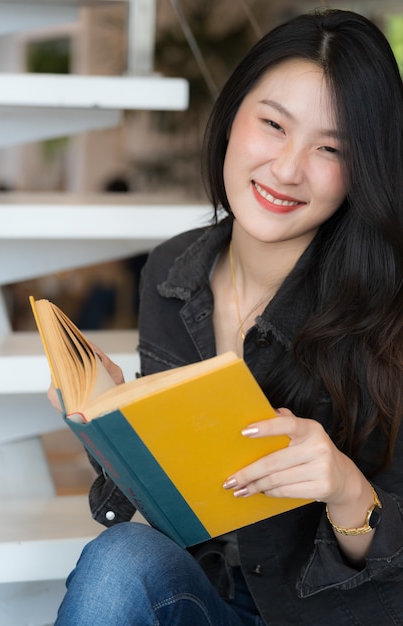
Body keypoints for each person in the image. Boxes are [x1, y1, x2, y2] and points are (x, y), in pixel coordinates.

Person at [52, 9, 403, 625]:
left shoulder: (388, 308)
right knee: (120, 560)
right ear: (233, 116)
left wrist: (348, 490)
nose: (288, 169)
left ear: (361, 172)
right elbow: (176, 516)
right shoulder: (170, 275)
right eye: (274, 125)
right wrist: (113, 431)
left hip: (332, 616)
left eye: (330, 148)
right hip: (214, 602)